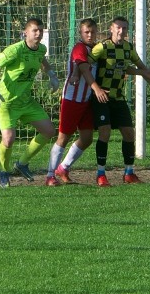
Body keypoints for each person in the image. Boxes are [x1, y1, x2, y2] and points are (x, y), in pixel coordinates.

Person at [0, 17, 59, 188]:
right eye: (35, 30)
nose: (38, 33)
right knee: (9, 140)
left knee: (49, 131)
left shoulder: (41, 48)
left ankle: (22, 163)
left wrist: (52, 75)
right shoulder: (15, 50)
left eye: (40, 30)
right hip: (6, 101)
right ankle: (4, 172)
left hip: (26, 101)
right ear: (25, 32)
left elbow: (42, 59)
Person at [89, 16, 150, 187]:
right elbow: (85, 66)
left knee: (129, 133)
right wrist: (94, 88)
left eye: (125, 29)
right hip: (101, 97)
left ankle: (129, 172)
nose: (122, 31)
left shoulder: (129, 48)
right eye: (118, 28)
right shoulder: (102, 47)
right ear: (111, 29)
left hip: (118, 97)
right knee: (104, 132)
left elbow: (143, 69)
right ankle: (101, 174)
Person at [45, 18, 108, 186]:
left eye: (92, 32)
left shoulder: (95, 50)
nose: (90, 35)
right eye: (86, 32)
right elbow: (83, 67)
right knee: (63, 137)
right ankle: (50, 175)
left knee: (86, 138)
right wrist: (95, 87)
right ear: (80, 33)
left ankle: (63, 168)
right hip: (72, 100)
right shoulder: (79, 48)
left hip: (86, 101)